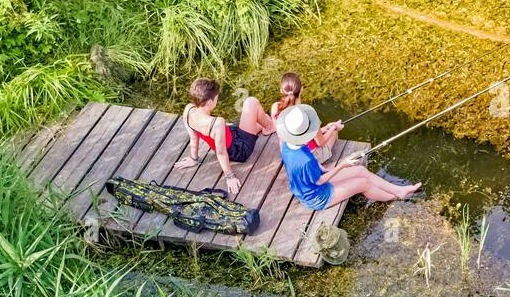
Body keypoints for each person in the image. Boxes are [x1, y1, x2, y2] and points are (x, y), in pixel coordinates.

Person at [277, 103, 420, 209]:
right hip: (316, 196)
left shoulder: (287, 145)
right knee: (363, 184)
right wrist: (342, 165)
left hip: (308, 184)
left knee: (361, 171)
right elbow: (319, 181)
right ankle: (395, 197)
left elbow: (305, 163)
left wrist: (328, 129)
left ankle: (399, 190)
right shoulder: (305, 161)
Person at [173, 78, 275, 196]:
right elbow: (221, 153)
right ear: (210, 102)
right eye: (216, 98)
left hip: (229, 136)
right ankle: (270, 127)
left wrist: (194, 158)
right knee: (251, 102)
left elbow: (194, 138)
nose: (217, 99)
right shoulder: (217, 123)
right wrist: (229, 177)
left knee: (258, 117)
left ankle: (264, 123)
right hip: (238, 150)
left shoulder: (189, 110)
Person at [269, 72, 340, 153]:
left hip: (286, 153)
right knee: (334, 132)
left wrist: (323, 129)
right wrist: (334, 127)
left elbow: (293, 133)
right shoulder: (307, 113)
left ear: (281, 91)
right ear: (301, 89)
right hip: (308, 156)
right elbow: (320, 142)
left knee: (327, 130)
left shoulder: (275, 108)